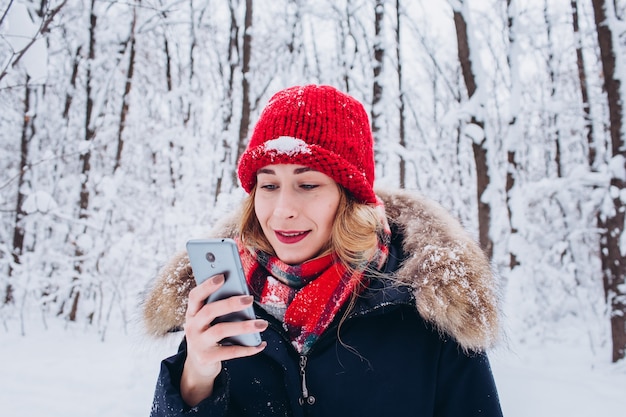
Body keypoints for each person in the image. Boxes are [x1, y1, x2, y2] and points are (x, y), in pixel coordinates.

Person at [143, 84, 504, 416]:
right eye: (268, 185)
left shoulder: (428, 314)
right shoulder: (225, 302)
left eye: (308, 184)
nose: (282, 209)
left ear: (349, 200)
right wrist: (195, 377)